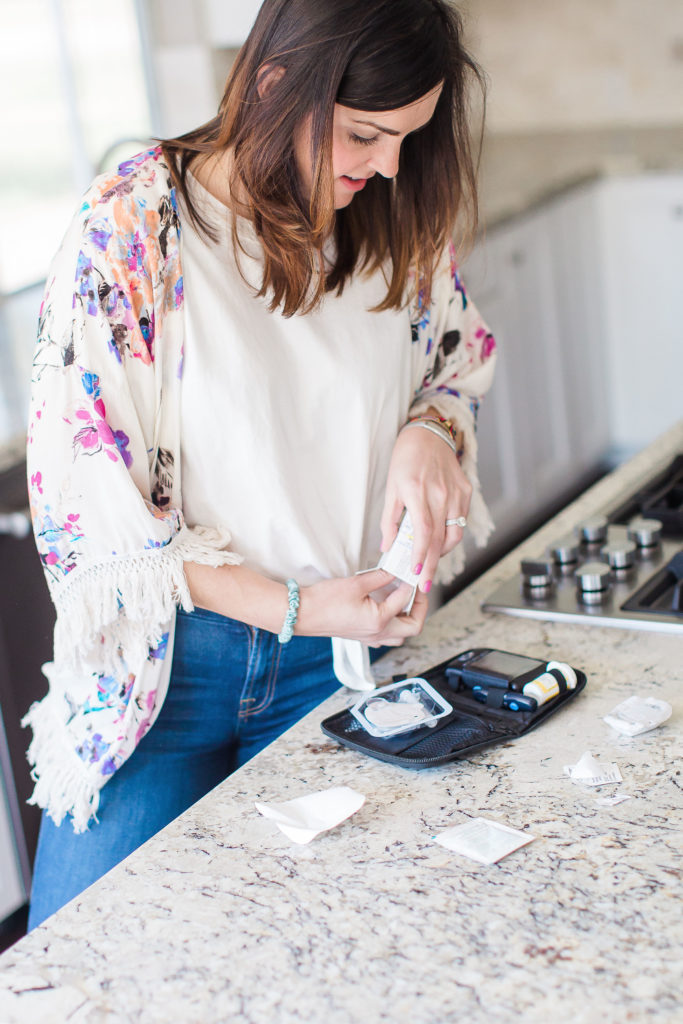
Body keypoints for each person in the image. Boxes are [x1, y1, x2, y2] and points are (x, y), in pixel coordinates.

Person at [24, 0, 496, 929]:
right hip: (164, 674)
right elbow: (93, 520)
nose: (390, 164)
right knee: (84, 976)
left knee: (333, 961)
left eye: (408, 136)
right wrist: (292, 608)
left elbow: (453, 363)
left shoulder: (396, 223)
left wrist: (428, 432)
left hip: (339, 663)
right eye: (366, 133)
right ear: (278, 82)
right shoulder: (138, 225)